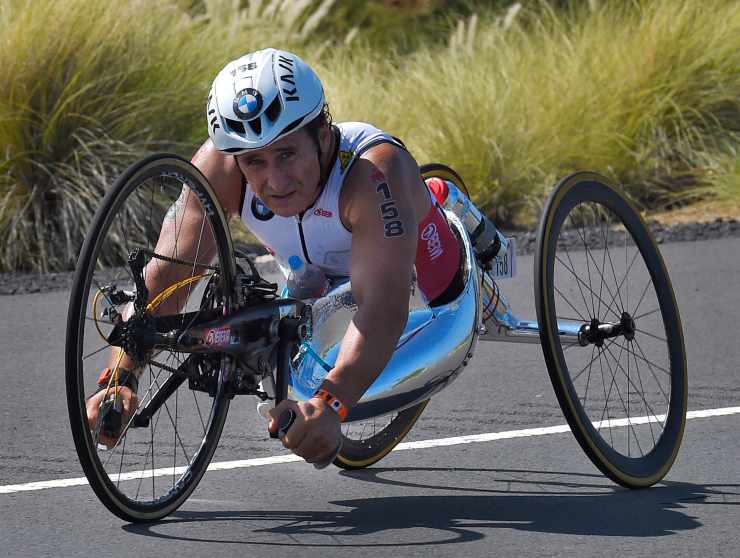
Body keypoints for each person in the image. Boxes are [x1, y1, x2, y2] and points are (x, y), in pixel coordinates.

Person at [86, 48, 463, 466]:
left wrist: (332, 403)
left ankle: (445, 202)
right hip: (314, 278)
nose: (275, 181)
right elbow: (166, 277)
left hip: (414, 272)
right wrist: (121, 376)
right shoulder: (220, 168)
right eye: (255, 162)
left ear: (322, 136)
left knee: (438, 293)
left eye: (287, 154)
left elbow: (382, 307)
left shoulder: (371, 175)